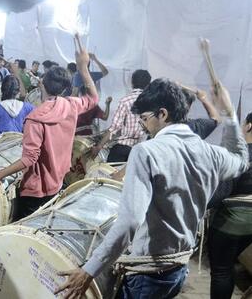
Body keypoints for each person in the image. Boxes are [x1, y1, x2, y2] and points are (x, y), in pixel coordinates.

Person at [54, 78, 249, 299]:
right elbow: (241, 160)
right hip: (178, 270)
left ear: (162, 114)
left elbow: (129, 221)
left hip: (148, 275)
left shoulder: (147, 152)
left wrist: (89, 270)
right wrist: (230, 114)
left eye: (145, 119)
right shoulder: (210, 153)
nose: (144, 125)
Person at [0, 38, 99, 220]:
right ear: (66, 88)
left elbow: (29, 159)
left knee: (21, 231)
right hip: (58, 182)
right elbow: (94, 98)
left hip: (35, 190)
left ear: (42, 83)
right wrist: (83, 67)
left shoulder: (35, 118)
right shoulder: (71, 105)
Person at [208, 112, 251, 299]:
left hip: (232, 220)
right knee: (232, 264)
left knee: (221, 270)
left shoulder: (241, 153)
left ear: (249, 126)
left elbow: (222, 190)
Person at [91, 69, 151, 162]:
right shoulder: (151, 103)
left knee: (111, 175)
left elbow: (114, 128)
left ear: (132, 82)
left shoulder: (126, 101)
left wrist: (99, 147)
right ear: (148, 85)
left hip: (122, 149)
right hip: (141, 151)